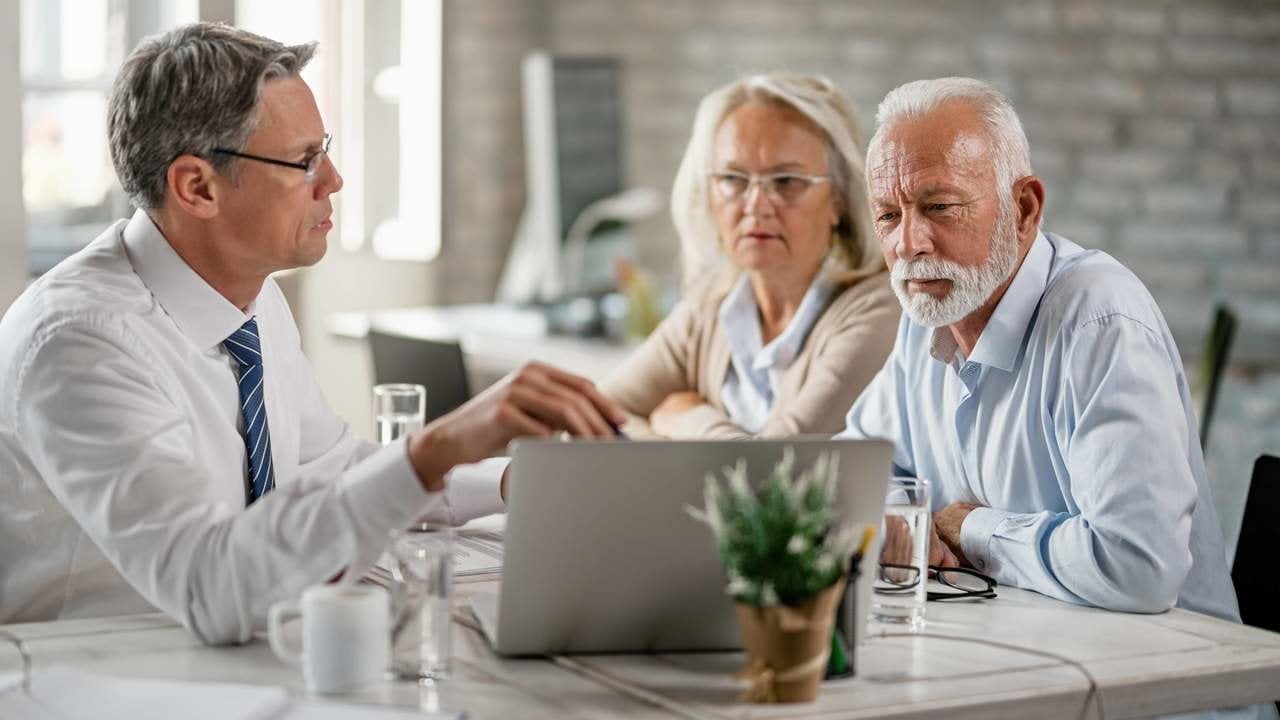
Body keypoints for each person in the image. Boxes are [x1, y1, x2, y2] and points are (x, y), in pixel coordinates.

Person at [0, 23, 623, 644]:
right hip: (97, 678)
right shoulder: (80, 341)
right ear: (197, 187)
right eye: (304, 161)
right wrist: (437, 447)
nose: (334, 180)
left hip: (221, 666)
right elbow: (211, 588)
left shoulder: (250, 297)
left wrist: (511, 481)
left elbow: (334, 471)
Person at [841, 77, 1245, 622]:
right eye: (888, 215)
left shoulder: (1098, 321)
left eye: (938, 206)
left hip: (1162, 690)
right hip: (1022, 656)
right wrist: (896, 515)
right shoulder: (927, 314)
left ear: (1025, 209)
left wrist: (971, 528)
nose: (908, 244)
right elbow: (856, 468)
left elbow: (1139, 567)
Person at [601, 74, 899, 438]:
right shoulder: (710, 309)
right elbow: (590, 419)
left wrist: (687, 419)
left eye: (786, 181)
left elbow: (775, 478)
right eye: (733, 179)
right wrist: (667, 443)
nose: (755, 207)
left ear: (838, 199)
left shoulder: (880, 311)